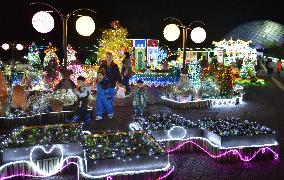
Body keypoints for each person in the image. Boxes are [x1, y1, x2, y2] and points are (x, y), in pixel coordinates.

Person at [99, 52, 122, 118]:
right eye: (107, 57)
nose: (108, 58)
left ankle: (110, 112)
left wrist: (120, 81)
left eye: (110, 57)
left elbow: (118, 74)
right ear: (105, 57)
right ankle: (104, 111)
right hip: (104, 85)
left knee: (110, 99)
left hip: (112, 85)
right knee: (103, 99)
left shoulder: (115, 65)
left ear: (112, 57)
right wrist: (98, 81)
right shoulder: (102, 65)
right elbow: (99, 74)